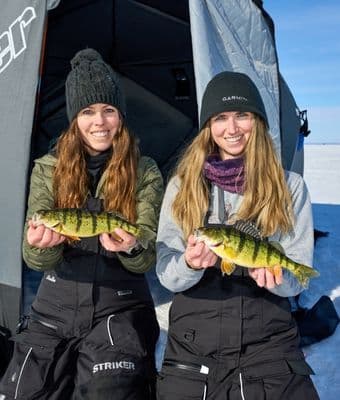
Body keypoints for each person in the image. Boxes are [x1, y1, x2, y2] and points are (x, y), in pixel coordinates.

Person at [0, 48, 163, 400]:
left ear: (121, 115)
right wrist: (42, 245)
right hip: (54, 305)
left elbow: (146, 256)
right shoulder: (47, 167)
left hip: (119, 304)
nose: (99, 121)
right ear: (75, 117)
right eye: (88, 111)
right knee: (24, 391)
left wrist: (131, 246)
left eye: (108, 110)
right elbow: (35, 260)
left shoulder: (145, 170)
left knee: (110, 392)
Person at [155, 71, 319, 399]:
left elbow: (296, 279)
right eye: (220, 118)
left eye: (242, 115)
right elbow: (165, 274)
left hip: (269, 344)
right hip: (193, 344)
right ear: (208, 127)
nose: (232, 129)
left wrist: (276, 279)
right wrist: (188, 263)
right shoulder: (181, 186)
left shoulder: (291, 187)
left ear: (257, 121)